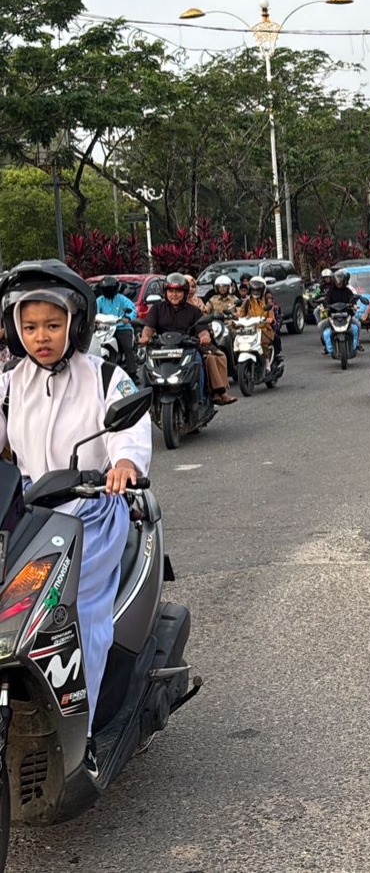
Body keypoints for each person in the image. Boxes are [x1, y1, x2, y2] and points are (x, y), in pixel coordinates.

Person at [0, 260, 152, 776]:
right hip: (24, 512)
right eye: (30, 326)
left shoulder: (104, 375)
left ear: (75, 324)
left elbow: (128, 429)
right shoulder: (8, 382)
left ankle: (80, 733)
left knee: (70, 609)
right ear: (16, 330)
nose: (41, 337)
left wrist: (126, 462)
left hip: (89, 509)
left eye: (52, 324)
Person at [140, 272, 236, 405]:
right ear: (165, 292)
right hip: (162, 349)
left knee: (199, 363)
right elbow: (148, 327)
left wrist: (204, 337)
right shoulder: (157, 308)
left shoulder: (194, 311)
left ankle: (200, 399)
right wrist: (145, 337)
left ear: (184, 293)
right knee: (147, 367)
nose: (174, 294)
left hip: (188, 349)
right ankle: (146, 402)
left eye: (178, 291)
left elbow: (202, 330)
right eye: (171, 291)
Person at [94, 276, 139, 380]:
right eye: (105, 289)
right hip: (105, 328)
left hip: (122, 328)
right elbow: (94, 311)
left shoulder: (121, 299)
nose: (108, 291)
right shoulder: (99, 300)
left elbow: (132, 308)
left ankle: (133, 373)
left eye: (110, 289)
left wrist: (128, 318)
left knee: (127, 348)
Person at [318, 269, 361, 355]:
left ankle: (356, 344)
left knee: (358, 324)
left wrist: (354, 305)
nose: (339, 283)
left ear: (344, 280)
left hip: (347, 316)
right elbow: (326, 301)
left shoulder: (348, 291)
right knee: (320, 326)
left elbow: (352, 299)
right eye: (337, 281)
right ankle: (327, 347)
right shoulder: (330, 292)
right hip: (333, 317)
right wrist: (323, 306)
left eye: (340, 281)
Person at [236, 276, 276, 365]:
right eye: (253, 290)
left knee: (263, 343)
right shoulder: (247, 301)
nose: (255, 292)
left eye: (258, 290)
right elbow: (242, 312)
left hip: (264, 329)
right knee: (238, 339)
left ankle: (267, 363)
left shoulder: (266, 301)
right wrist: (237, 317)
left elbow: (271, 314)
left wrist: (270, 319)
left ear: (263, 290)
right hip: (250, 328)